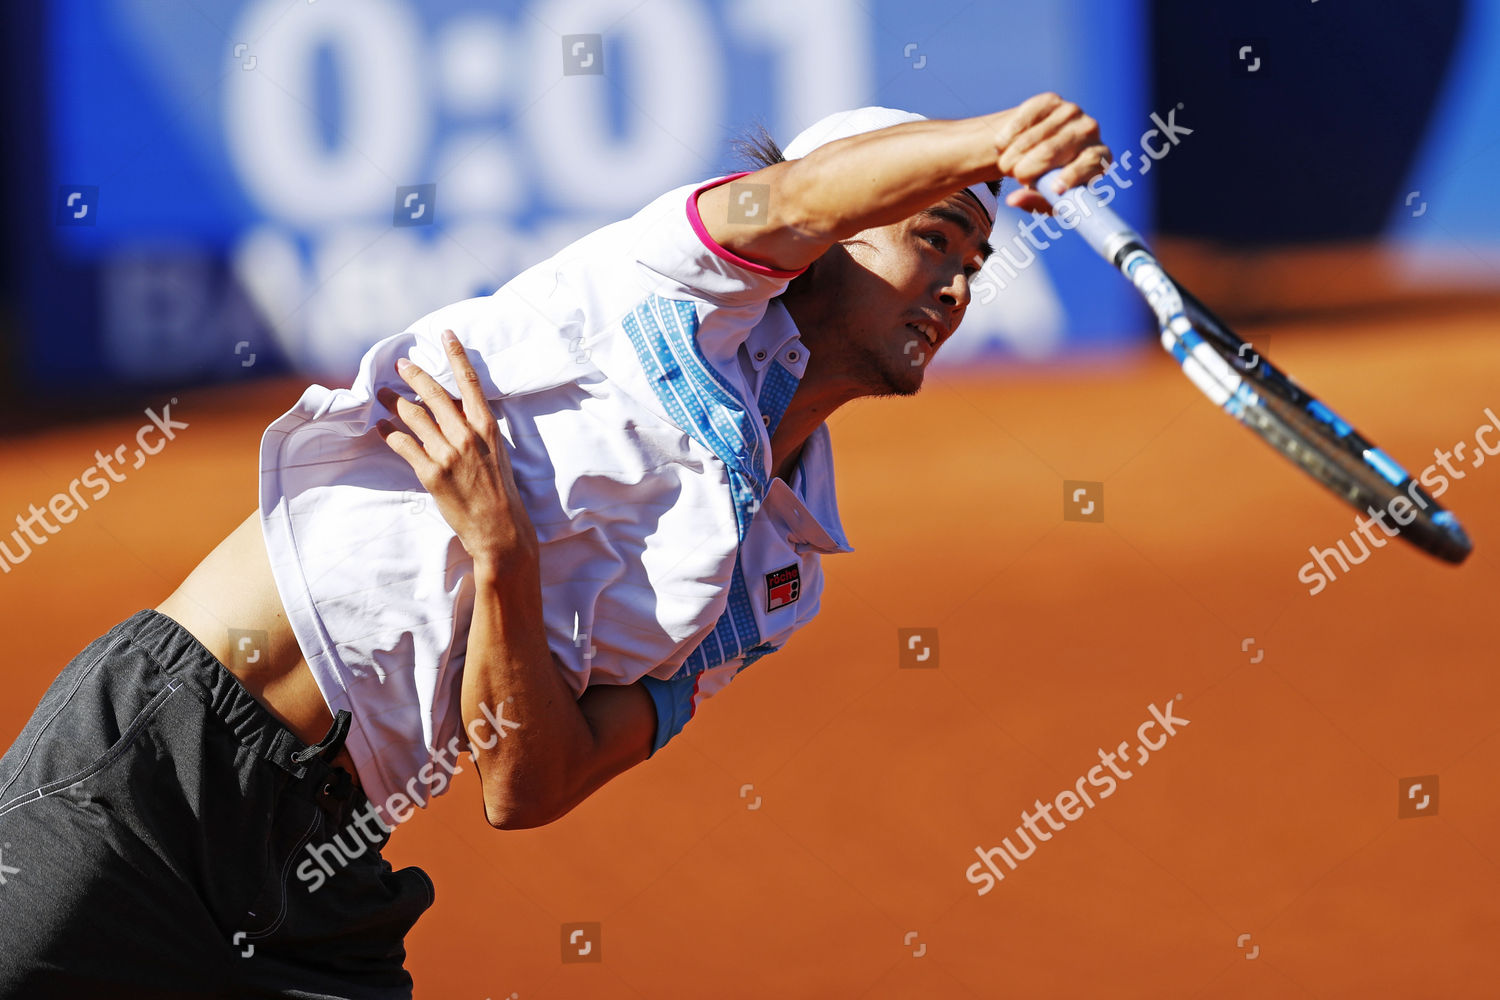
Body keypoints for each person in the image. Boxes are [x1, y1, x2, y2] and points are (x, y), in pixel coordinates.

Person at [0, 94, 1110, 997]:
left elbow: (528, 784)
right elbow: (791, 197)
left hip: (321, 871)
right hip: (159, 766)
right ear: (828, 244)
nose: (963, 284)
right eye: (935, 235)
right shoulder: (664, 284)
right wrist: (993, 138)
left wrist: (504, 558)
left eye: (977, 257)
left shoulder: (779, 583)